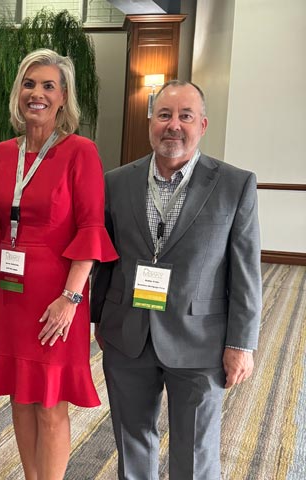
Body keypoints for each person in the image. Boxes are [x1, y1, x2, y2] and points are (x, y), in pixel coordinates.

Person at [91, 80, 262, 479]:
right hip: (128, 336)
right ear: (151, 122)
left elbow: (246, 272)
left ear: (202, 124)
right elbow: (105, 259)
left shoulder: (235, 184)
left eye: (185, 116)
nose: (174, 125)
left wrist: (242, 343)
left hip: (201, 341)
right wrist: (101, 319)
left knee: (195, 449)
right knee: (131, 440)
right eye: (164, 114)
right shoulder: (117, 182)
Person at [0, 49, 118, 479]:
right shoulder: (2, 154)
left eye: (48, 86)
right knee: (19, 397)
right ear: (18, 92)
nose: (36, 93)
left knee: (50, 403)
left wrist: (70, 298)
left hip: (58, 298)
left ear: (63, 99)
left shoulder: (81, 152)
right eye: (29, 84)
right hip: (9, 295)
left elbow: (92, 229)